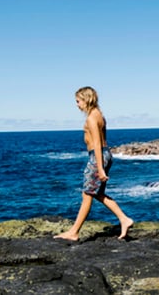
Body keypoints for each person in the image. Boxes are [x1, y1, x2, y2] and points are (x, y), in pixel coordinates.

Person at [55, 87, 134, 241]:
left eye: (78, 101)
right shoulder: (99, 115)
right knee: (95, 193)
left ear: (86, 99)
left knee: (87, 193)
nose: (77, 105)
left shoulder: (92, 117)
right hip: (104, 155)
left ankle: (74, 232)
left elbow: (97, 144)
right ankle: (124, 219)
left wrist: (99, 168)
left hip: (97, 156)